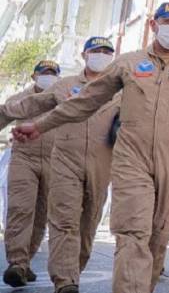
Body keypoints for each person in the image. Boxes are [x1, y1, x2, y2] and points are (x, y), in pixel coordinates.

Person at [11, 2, 169, 293]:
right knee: (132, 231)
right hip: (131, 158)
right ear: (154, 25)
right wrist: (39, 126)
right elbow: (83, 102)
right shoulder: (127, 63)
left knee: (158, 234)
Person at [0, 37, 119, 292]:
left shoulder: (121, 90)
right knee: (49, 216)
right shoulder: (65, 86)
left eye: (106, 52)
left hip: (100, 164)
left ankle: (70, 270)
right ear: (84, 55)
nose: (101, 55)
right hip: (57, 161)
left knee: (86, 223)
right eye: (96, 51)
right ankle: (46, 274)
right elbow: (24, 106)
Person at [2, 59, 61, 286]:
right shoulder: (18, 99)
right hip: (24, 159)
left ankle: (26, 262)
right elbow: (4, 115)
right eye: (44, 72)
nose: (49, 76)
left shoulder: (63, 97)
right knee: (20, 210)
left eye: (53, 72)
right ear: (34, 76)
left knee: (41, 215)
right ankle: (16, 263)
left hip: (54, 160)